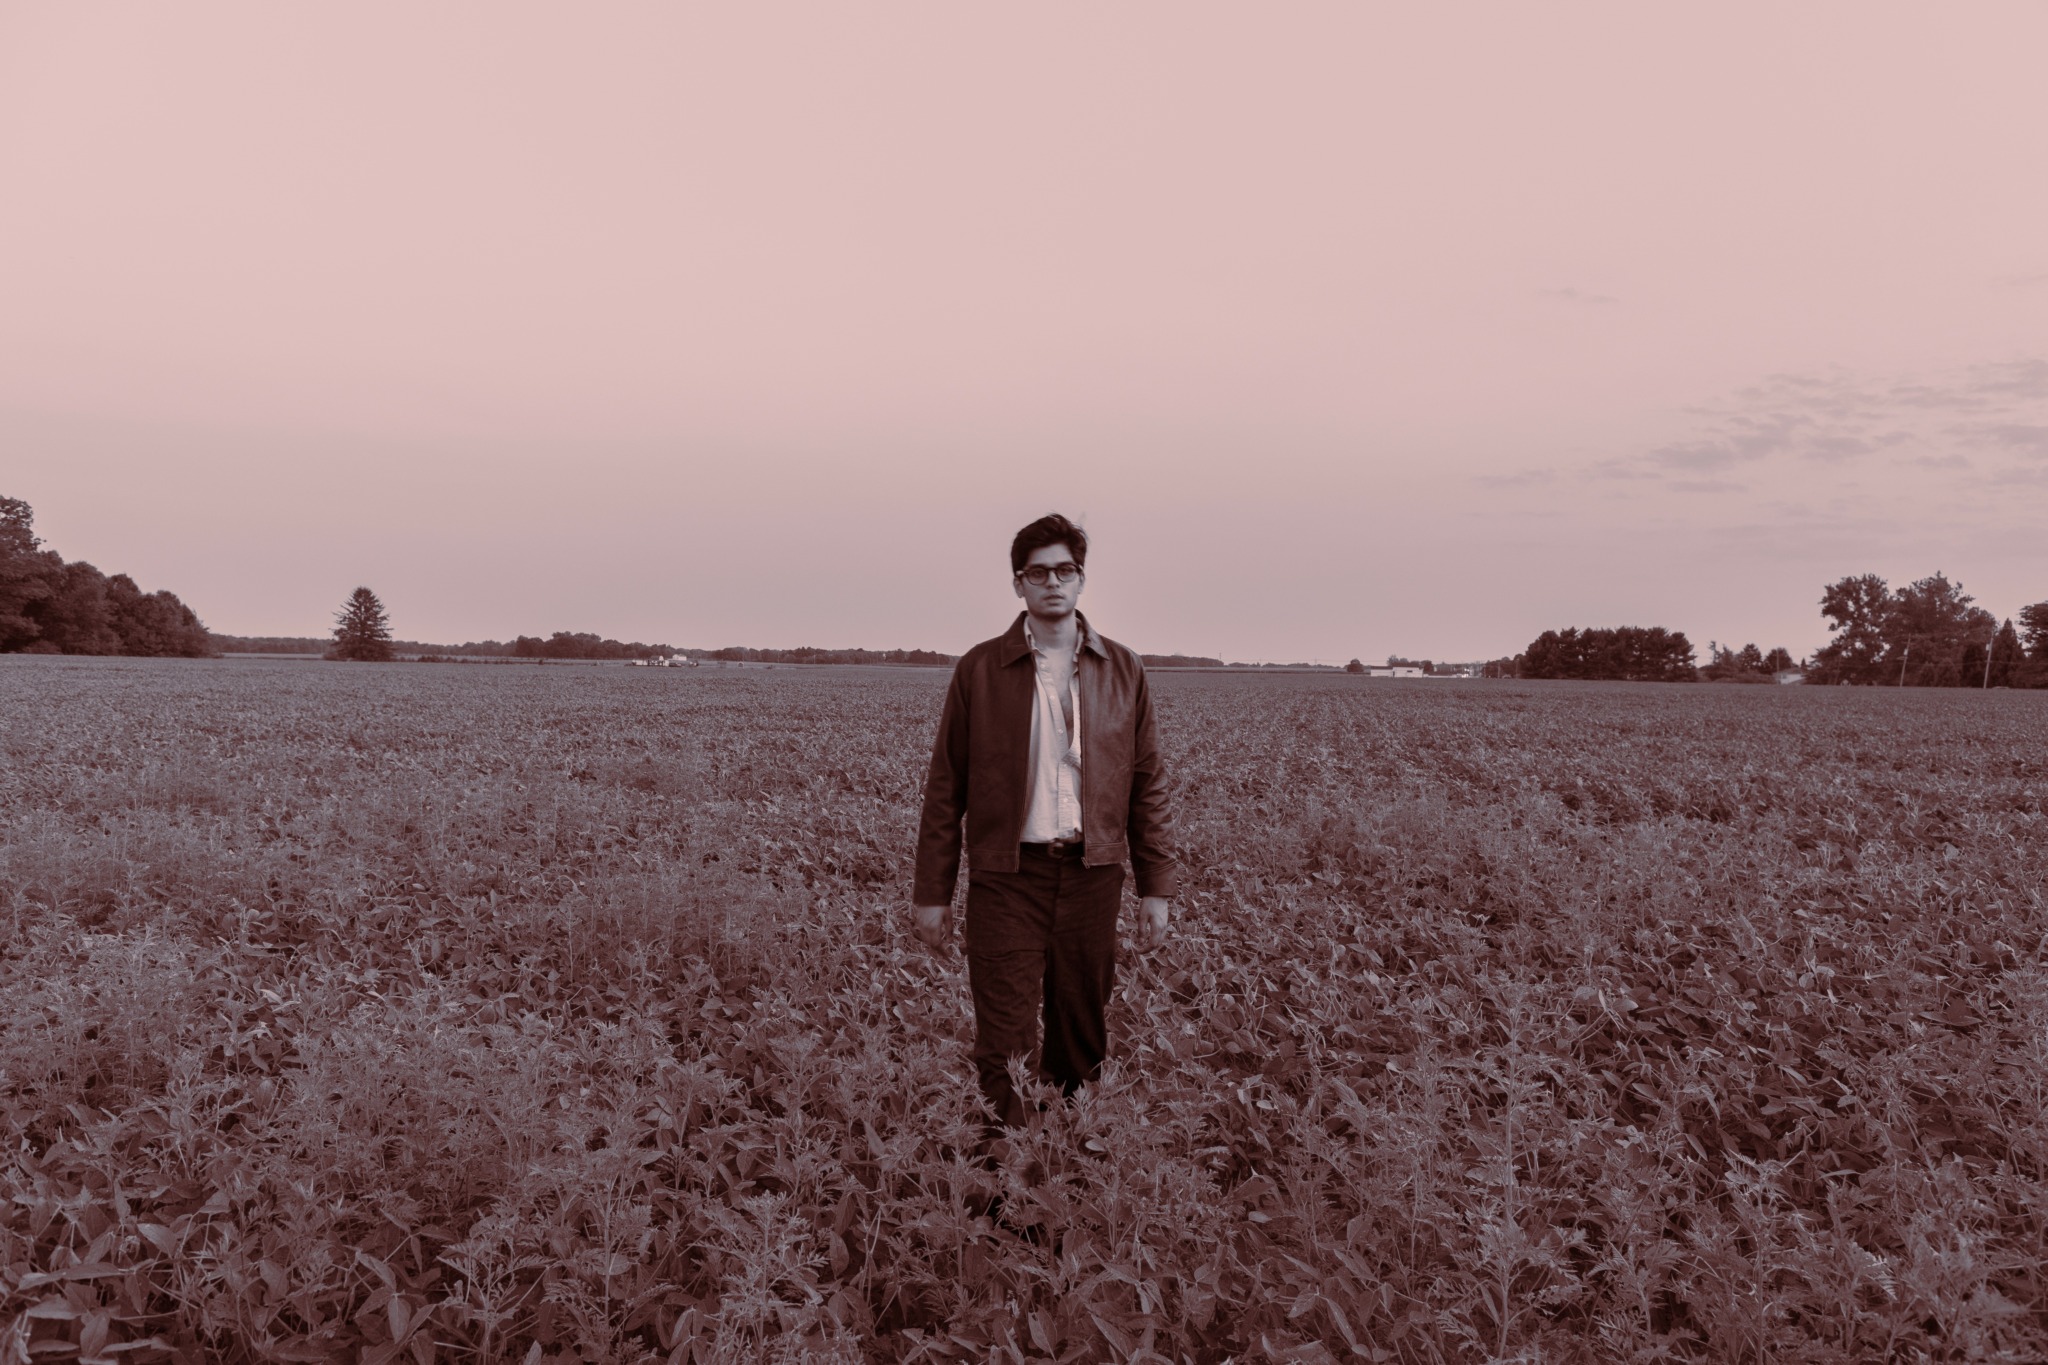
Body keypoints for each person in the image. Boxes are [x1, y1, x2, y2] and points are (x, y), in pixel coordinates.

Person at [912, 512, 1178, 1131]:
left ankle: (1070, 1158)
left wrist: (1157, 887)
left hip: (1093, 877)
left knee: (1080, 1033)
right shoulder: (980, 670)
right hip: (1007, 879)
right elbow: (946, 789)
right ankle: (1007, 1168)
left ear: (1081, 579)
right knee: (1004, 1040)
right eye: (1038, 573)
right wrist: (932, 893)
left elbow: (1147, 784)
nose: (1052, 582)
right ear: (1018, 584)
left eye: (1064, 570)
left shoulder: (1123, 669)